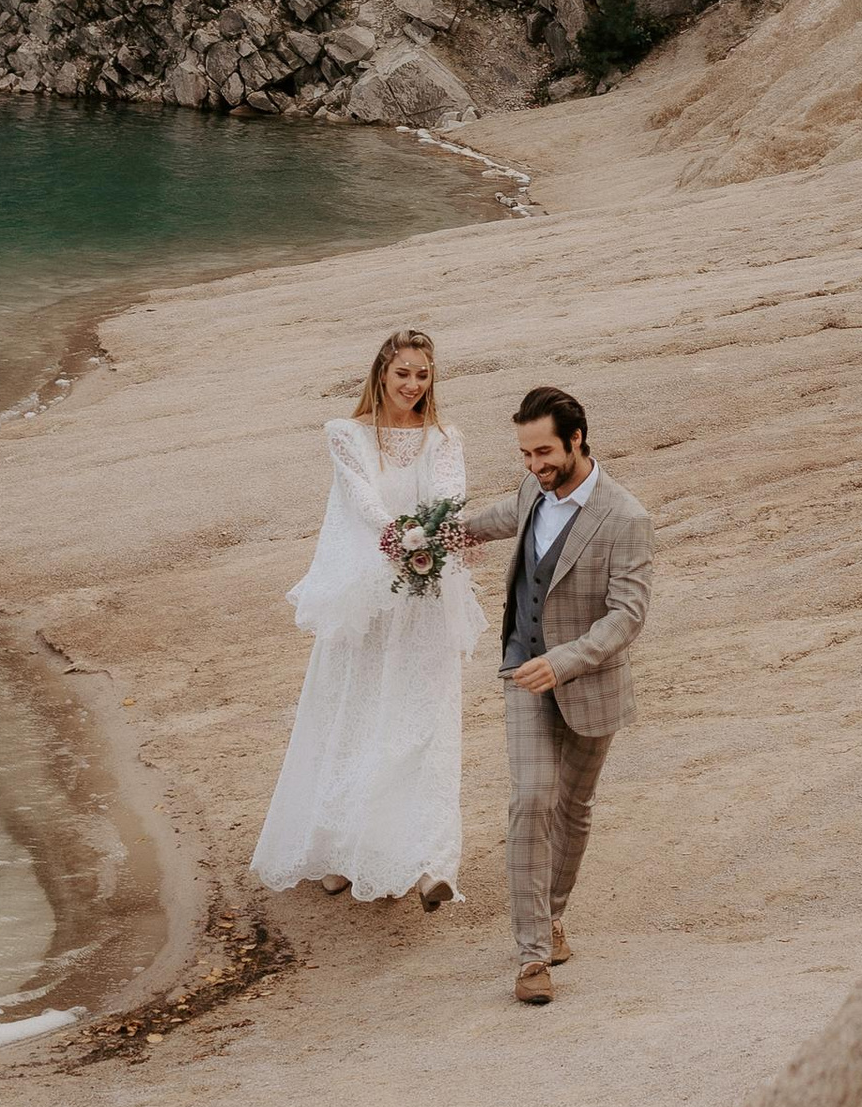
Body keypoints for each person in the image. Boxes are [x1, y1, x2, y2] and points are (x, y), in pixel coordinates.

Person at [250, 327, 481, 908]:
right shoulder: (346, 434)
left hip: (424, 597)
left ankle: (428, 862)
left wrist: (429, 535)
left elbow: (449, 494)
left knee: (421, 720)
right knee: (355, 713)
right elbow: (363, 499)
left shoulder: (444, 438)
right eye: (403, 373)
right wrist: (402, 536)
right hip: (368, 599)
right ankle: (341, 851)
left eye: (422, 375)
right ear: (381, 373)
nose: (412, 384)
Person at [460, 386, 653, 1006]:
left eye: (543, 452)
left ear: (576, 439)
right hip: (523, 672)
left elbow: (627, 615)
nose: (533, 465)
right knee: (531, 799)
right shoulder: (531, 490)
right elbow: (498, 518)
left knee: (573, 808)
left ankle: (553, 916)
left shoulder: (626, 517)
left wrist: (564, 661)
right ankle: (532, 956)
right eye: (524, 454)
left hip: (590, 683)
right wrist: (431, 533)